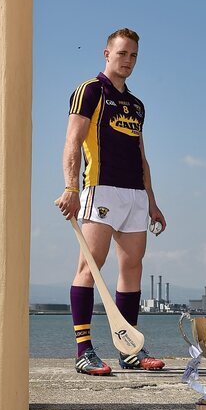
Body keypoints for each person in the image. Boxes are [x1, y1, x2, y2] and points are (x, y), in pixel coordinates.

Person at [55, 28, 166, 374]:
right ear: (107, 54)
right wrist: (71, 189)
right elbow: (73, 141)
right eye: (122, 54)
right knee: (91, 266)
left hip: (134, 194)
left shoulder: (136, 105)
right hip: (100, 189)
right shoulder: (90, 90)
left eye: (133, 55)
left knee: (132, 267)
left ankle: (129, 348)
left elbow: (141, 156)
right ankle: (84, 351)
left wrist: (152, 201)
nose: (128, 61)